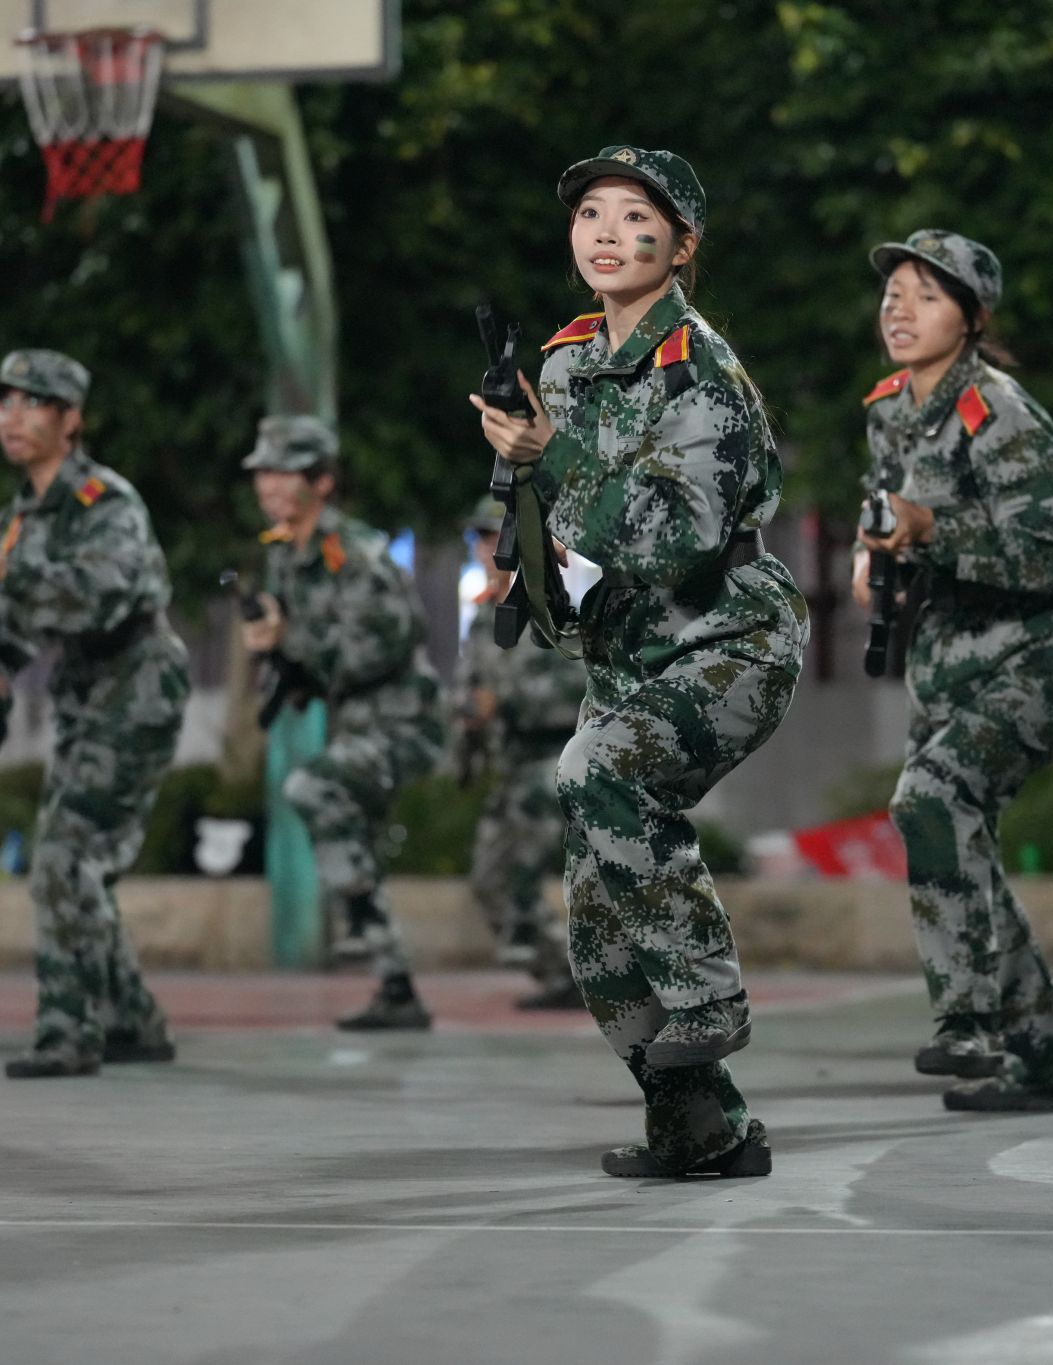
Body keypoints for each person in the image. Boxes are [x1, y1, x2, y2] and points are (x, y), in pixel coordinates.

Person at [471, 145, 807, 1178]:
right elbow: (543, 511)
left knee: (599, 768)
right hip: (628, 652)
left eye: (633, 214)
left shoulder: (699, 369)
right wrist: (519, 495)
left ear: (682, 243)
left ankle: (710, 996)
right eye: (590, 215)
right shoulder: (565, 363)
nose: (607, 233)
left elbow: (677, 539)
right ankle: (702, 1130)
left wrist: (551, 455)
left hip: (728, 638)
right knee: (597, 926)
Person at [853, 230, 1053, 1112]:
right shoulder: (890, 408)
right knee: (965, 851)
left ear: (973, 318)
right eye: (894, 293)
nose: (901, 308)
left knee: (930, 800)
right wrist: (873, 551)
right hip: (946, 660)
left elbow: (1043, 552)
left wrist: (930, 530)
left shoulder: (1000, 412)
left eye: (927, 295)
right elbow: (886, 511)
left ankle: (967, 1022)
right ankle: (1049, 1061)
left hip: (1034, 655)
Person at [0, 349, 182, 1078]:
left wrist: (1, 568)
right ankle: (133, 1019)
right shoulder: (17, 517)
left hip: (137, 681)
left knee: (63, 856)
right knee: (77, 863)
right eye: (2, 404)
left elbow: (103, 594)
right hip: (83, 689)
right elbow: (15, 622)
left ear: (70, 418)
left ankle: (67, 1031)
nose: (11, 419)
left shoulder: (106, 502)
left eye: (31, 403)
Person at [244, 415, 442, 1031]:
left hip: (402, 725)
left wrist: (288, 639)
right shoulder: (285, 555)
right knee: (342, 824)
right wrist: (272, 650)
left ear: (322, 481)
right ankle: (393, 980)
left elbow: (380, 645)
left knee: (311, 787)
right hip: (354, 726)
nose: (269, 485)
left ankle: (361, 924)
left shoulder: (354, 552)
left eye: (285, 472)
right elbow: (306, 664)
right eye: (263, 472)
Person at [454, 497, 587, 1010]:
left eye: (497, 537)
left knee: (527, 866)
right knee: (488, 878)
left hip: (555, 759)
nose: (488, 550)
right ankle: (561, 973)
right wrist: (467, 721)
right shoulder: (481, 618)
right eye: (482, 540)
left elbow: (579, 687)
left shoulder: (553, 608)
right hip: (510, 766)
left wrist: (505, 702)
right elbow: (468, 690)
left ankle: (586, 972)